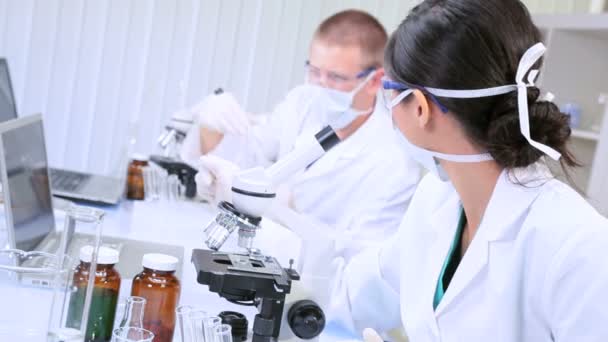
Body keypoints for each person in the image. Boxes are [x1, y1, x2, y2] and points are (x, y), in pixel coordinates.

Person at [323, 1, 608, 341]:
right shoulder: (437, 200)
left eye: (391, 94)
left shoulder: (579, 247)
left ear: (420, 108)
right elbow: (364, 291)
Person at [183, 10, 421, 260]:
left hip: (317, 290)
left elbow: (360, 260)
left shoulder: (395, 162)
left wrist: (281, 214)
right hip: (258, 256)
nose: (319, 85)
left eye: (336, 77)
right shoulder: (301, 102)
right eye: (314, 71)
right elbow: (250, 154)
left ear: (375, 81)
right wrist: (211, 130)